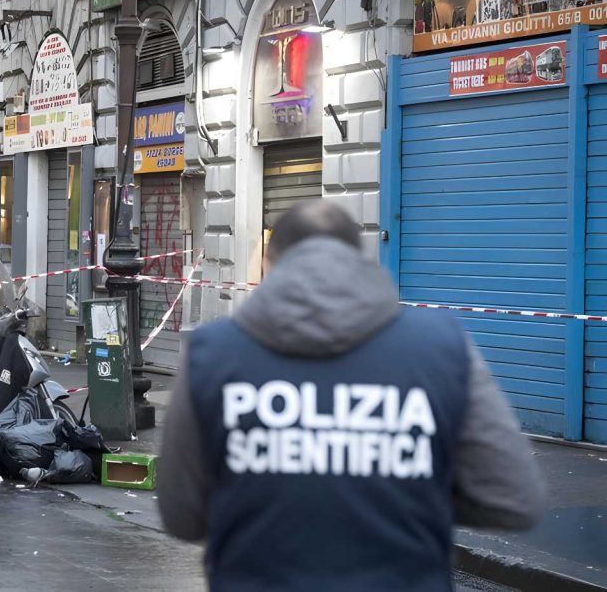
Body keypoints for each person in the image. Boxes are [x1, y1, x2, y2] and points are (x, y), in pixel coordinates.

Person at [157, 200, 546, 592]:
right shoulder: (440, 346)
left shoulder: (214, 353)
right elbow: (513, 498)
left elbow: (180, 514)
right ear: (358, 261)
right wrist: (400, 488)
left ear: (269, 267)